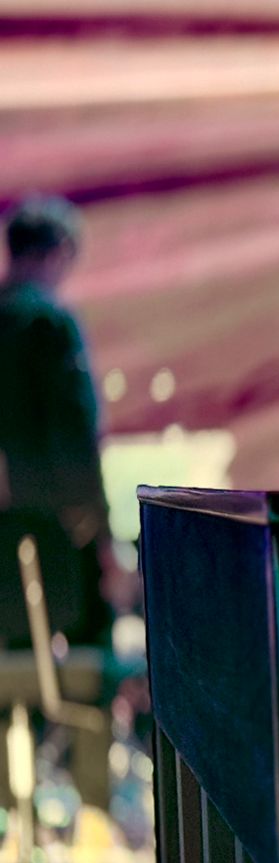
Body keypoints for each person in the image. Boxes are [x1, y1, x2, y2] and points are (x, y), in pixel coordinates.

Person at [0, 196, 117, 642]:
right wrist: (98, 527)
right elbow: (76, 431)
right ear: (59, 252)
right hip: (58, 526)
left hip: (6, 523)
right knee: (89, 650)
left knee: (17, 657)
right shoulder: (51, 322)